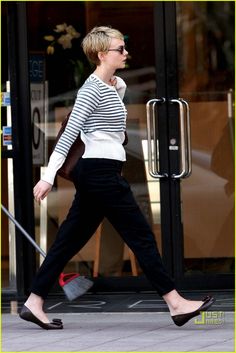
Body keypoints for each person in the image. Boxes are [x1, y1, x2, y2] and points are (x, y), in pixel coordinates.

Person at [20, 26, 215, 330]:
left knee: (68, 240)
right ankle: (176, 303)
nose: (125, 53)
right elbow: (70, 133)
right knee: (140, 236)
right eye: (119, 49)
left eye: (125, 48)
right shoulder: (91, 90)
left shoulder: (112, 86)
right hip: (98, 173)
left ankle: (34, 301)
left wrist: (118, 88)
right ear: (101, 54)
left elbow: (114, 129)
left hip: (103, 171)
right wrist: (47, 177)